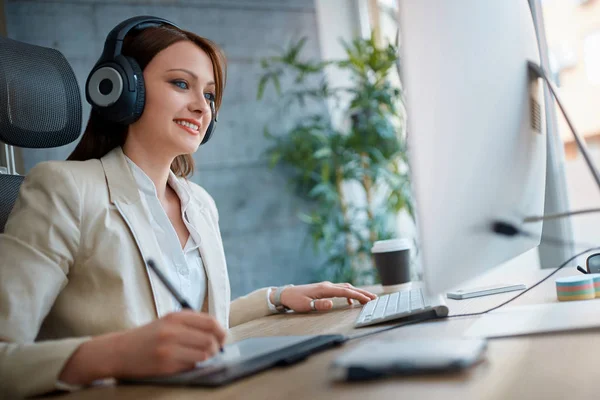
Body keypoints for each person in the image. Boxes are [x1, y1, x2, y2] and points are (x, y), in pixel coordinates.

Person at [0, 16, 377, 398]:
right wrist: (115, 354)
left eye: (210, 95)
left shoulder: (198, 204)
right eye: (181, 84)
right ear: (121, 89)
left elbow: (183, 323)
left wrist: (277, 298)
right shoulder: (65, 189)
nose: (202, 107)